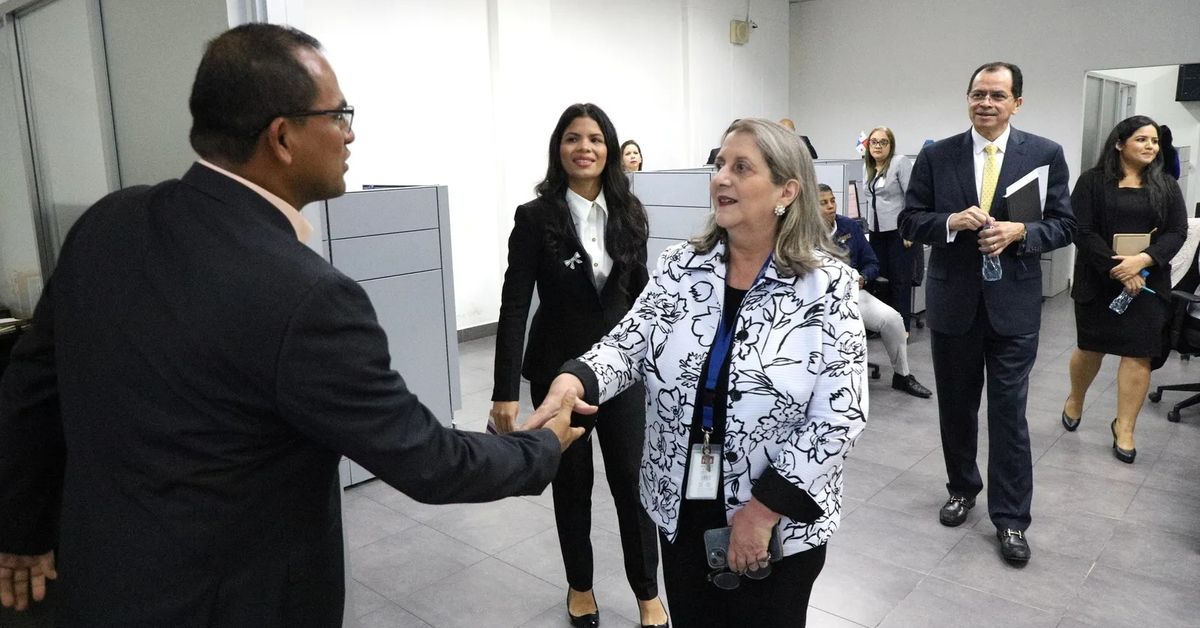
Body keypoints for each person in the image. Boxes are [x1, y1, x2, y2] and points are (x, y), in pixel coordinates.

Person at [0, 24, 583, 625]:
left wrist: (21, 529)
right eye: (338, 115)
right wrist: (540, 446)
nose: (351, 133)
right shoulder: (307, 297)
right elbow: (429, 460)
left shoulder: (109, 222)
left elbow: (31, 387)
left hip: (98, 583)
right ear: (282, 136)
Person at [528, 118, 867, 627]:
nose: (721, 178)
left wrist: (762, 511)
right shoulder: (682, 265)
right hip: (682, 500)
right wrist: (577, 378)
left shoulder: (826, 285)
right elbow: (629, 343)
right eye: (719, 165)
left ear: (786, 191)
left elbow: (839, 416)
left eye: (741, 167)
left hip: (775, 516)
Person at [490, 103, 668, 628]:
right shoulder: (536, 216)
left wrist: (660, 363)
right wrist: (505, 391)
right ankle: (580, 586)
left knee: (632, 482)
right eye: (572, 138)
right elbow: (515, 303)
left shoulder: (630, 212)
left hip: (622, 370)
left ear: (608, 148)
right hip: (556, 370)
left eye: (594, 138)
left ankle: (647, 592)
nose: (584, 147)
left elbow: (643, 298)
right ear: (559, 148)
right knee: (571, 482)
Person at [898, 62, 1076, 564]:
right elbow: (909, 218)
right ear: (968, 98)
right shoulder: (937, 156)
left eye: (998, 95)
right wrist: (950, 222)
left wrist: (1022, 233)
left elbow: (1065, 225)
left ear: (1017, 102)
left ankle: (1012, 519)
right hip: (954, 303)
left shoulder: (1043, 154)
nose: (986, 103)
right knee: (956, 408)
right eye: (978, 94)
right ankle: (961, 488)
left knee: (1008, 415)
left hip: (1014, 307)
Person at [1063, 115, 1186, 463]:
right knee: (1091, 349)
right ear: (1119, 143)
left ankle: (1126, 427)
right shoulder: (1091, 182)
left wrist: (1143, 261)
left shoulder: (1167, 185)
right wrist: (1120, 268)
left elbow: (1177, 232)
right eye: (1142, 140)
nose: (1150, 146)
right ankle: (1075, 398)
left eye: (1154, 142)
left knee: (1138, 355)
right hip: (1099, 280)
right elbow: (1081, 231)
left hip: (1147, 284)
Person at [818, 184, 931, 398]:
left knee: (893, 319)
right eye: (823, 203)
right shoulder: (804, 232)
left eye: (832, 200)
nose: (831, 206)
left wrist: (864, 278)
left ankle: (902, 376)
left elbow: (872, 263)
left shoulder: (849, 227)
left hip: (852, 293)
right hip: (818, 299)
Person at [862, 126, 917, 331]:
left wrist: (909, 229)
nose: (877, 146)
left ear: (890, 145)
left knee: (899, 281)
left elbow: (912, 197)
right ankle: (883, 326)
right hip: (876, 231)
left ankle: (902, 329)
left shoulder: (899, 162)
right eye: (873, 142)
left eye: (883, 142)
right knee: (880, 279)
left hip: (898, 231)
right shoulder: (867, 166)